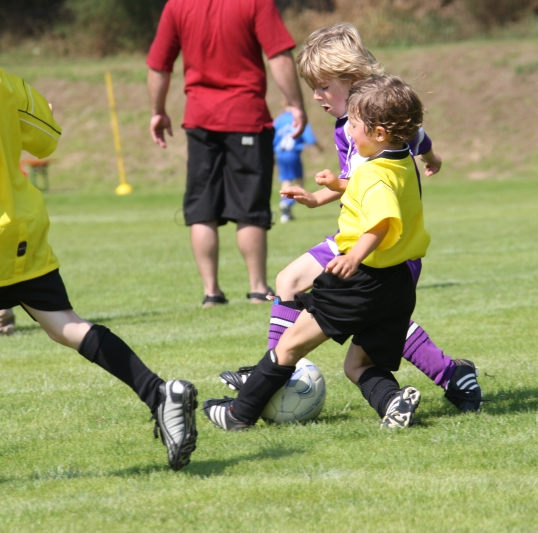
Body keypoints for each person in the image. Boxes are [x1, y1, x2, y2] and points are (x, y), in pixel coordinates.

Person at [0, 0, 197, 471]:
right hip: (21, 230)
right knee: (65, 325)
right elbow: (46, 137)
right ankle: (160, 393)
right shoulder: (7, 82)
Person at [218, 23, 483, 412]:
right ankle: (276, 370)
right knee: (290, 281)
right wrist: (316, 197)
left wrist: (430, 156)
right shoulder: (358, 126)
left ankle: (449, 373)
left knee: (374, 324)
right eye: (314, 87)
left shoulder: (373, 123)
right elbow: (368, 172)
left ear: (354, 80)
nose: (316, 96)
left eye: (324, 86)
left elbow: (406, 146)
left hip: (385, 246)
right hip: (359, 237)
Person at [206, 76, 430, 430]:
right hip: (397, 284)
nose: (348, 133)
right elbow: (375, 190)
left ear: (379, 133)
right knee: (358, 365)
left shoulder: (373, 176)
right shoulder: (400, 162)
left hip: (361, 280)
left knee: (288, 347)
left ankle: (239, 414)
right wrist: (329, 189)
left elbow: (382, 222)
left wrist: (353, 256)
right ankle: (393, 401)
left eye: (353, 125)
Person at [146, 0, 308, 306]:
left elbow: (158, 64)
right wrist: (295, 104)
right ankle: (257, 288)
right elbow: (278, 55)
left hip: (200, 119)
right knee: (250, 205)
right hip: (246, 116)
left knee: (202, 207)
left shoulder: (177, 6)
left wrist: (158, 110)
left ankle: (211, 292)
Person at [273, 102, 321, 223]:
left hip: (280, 154)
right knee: (300, 181)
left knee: (286, 181)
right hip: (292, 153)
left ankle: (285, 212)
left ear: (283, 104)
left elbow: (272, 138)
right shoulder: (298, 117)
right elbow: (309, 137)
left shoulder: (279, 120)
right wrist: (319, 147)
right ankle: (287, 203)